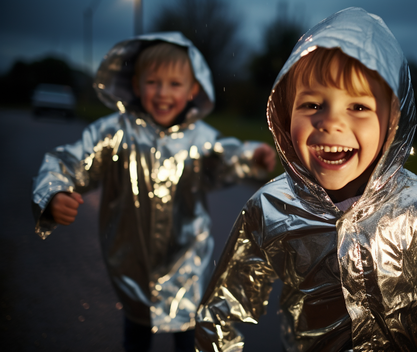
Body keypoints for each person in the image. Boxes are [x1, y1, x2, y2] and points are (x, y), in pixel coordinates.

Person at [194, 8, 417, 352]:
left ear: (391, 123)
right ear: (285, 113)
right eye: (312, 105)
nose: (331, 122)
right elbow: (222, 303)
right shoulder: (269, 208)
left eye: (358, 107)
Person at [31, 32, 276, 352]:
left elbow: (225, 157)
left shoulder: (199, 137)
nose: (163, 93)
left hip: (187, 259)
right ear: (136, 85)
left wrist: (252, 158)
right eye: (153, 82)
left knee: (189, 335)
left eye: (175, 84)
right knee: (136, 334)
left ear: (193, 90)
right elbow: (71, 159)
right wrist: (54, 192)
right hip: (132, 261)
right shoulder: (116, 131)